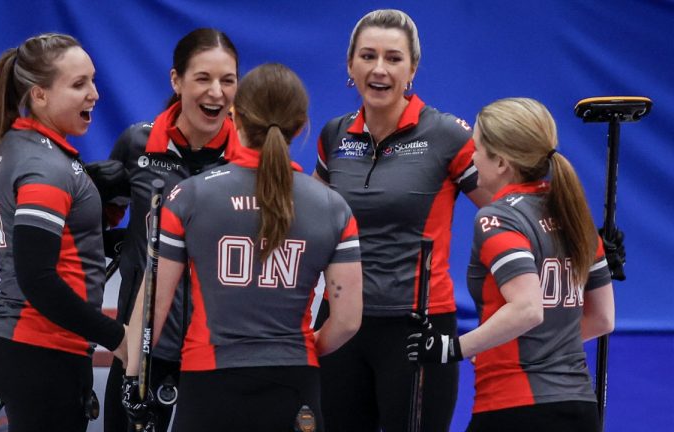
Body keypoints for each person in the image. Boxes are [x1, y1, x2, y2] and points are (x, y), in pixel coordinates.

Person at [123, 63, 363, 431]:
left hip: (208, 383)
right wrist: (305, 346)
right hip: (294, 381)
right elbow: (346, 321)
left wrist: (132, 380)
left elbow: (154, 305)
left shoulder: (189, 196)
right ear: (301, 125)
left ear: (234, 116)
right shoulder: (332, 206)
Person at [312, 9, 491, 432]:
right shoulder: (334, 135)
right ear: (350, 65)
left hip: (417, 328)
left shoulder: (447, 135)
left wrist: (579, 243)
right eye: (368, 56)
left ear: (412, 70)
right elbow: (309, 217)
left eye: (393, 58)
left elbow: (506, 206)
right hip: (339, 324)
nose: (379, 69)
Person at [407, 97, 616, 432]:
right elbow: (603, 318)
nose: (472, 159)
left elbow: (527, 309)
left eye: (477, 149)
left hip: (514, 407)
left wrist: (453, 347)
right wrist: (505, 345)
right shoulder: (572, 212)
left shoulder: (499, 217)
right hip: (578, 406)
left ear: (501, 162)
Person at [84, 28, 242, 431]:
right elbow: (103, 222)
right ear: (176, 80)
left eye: (228, 80)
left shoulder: (249, 155)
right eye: (203, 78)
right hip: (142, 345)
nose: (217, 93)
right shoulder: (137, 145)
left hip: (221, 348)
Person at [0, 33, 127, 432]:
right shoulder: (45, 167)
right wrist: (116, 336)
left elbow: (52, 251)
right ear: (39, 95)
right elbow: (37, 277)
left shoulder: (19, 145)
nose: (94, 94)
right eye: (78, 85)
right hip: (41, 350)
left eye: (93, 80)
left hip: (26, 349)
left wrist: (112, 240)